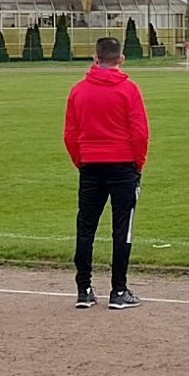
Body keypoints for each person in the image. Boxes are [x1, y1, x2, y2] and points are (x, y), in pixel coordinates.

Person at [64, 37, 149, 310]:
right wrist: (138, 165)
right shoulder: (129, 89)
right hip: (123, 163)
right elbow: (140, 133)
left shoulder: (78, 90)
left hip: (90, 164)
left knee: (85, 227)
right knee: (122, 229)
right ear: (121, 59)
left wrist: (82, 161)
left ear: (95, 57)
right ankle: (119, 290)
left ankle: (84, 288)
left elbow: (70, 134)